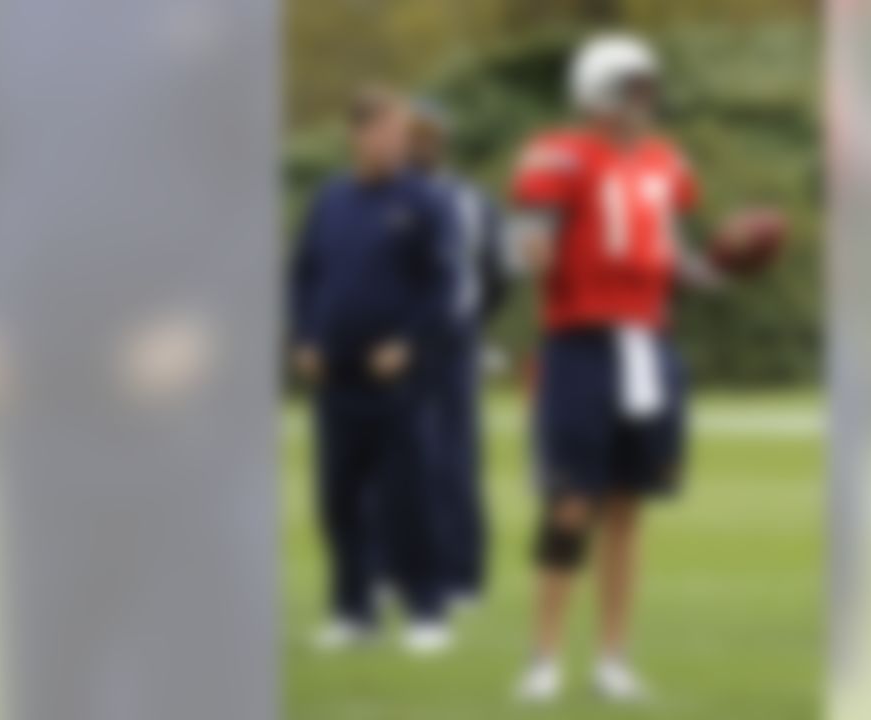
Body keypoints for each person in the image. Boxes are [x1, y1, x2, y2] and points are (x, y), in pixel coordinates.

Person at [509, 34, 721, 702]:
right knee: (572, 502)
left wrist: (715, 268)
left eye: (648, 86)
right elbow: (526, 244)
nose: (646, 98)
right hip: (579, 343)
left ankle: (613, 661)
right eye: (633, 86)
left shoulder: (666, 161)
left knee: (629, 507)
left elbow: (673, 252)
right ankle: (543, 658)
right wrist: (530, 250)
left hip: (649, 345)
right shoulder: (561, 154)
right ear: (598, 92)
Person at [290, 86, 457, 656]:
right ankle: (351, 611)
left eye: (402, 133)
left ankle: (427, 611)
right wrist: (304, 338)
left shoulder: (424, 203)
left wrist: (408, 342)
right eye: (385, 131)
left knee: (410, 497)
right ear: (357, 135)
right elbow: (304, 276)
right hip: (335, 376)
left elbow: (443, 288)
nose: (396, 143)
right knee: (338, 499)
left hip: (397, 378)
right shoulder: (330, 200)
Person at [409, 100, 509, 609]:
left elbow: (497, 274)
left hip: (452, 346)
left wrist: (466, 324)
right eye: (413, 134)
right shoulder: (371, 195)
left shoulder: (471, 200)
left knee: (455, 464)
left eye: (431, 134)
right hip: (390, 351)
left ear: (443, 141)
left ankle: (462, 575)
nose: (422, 143)